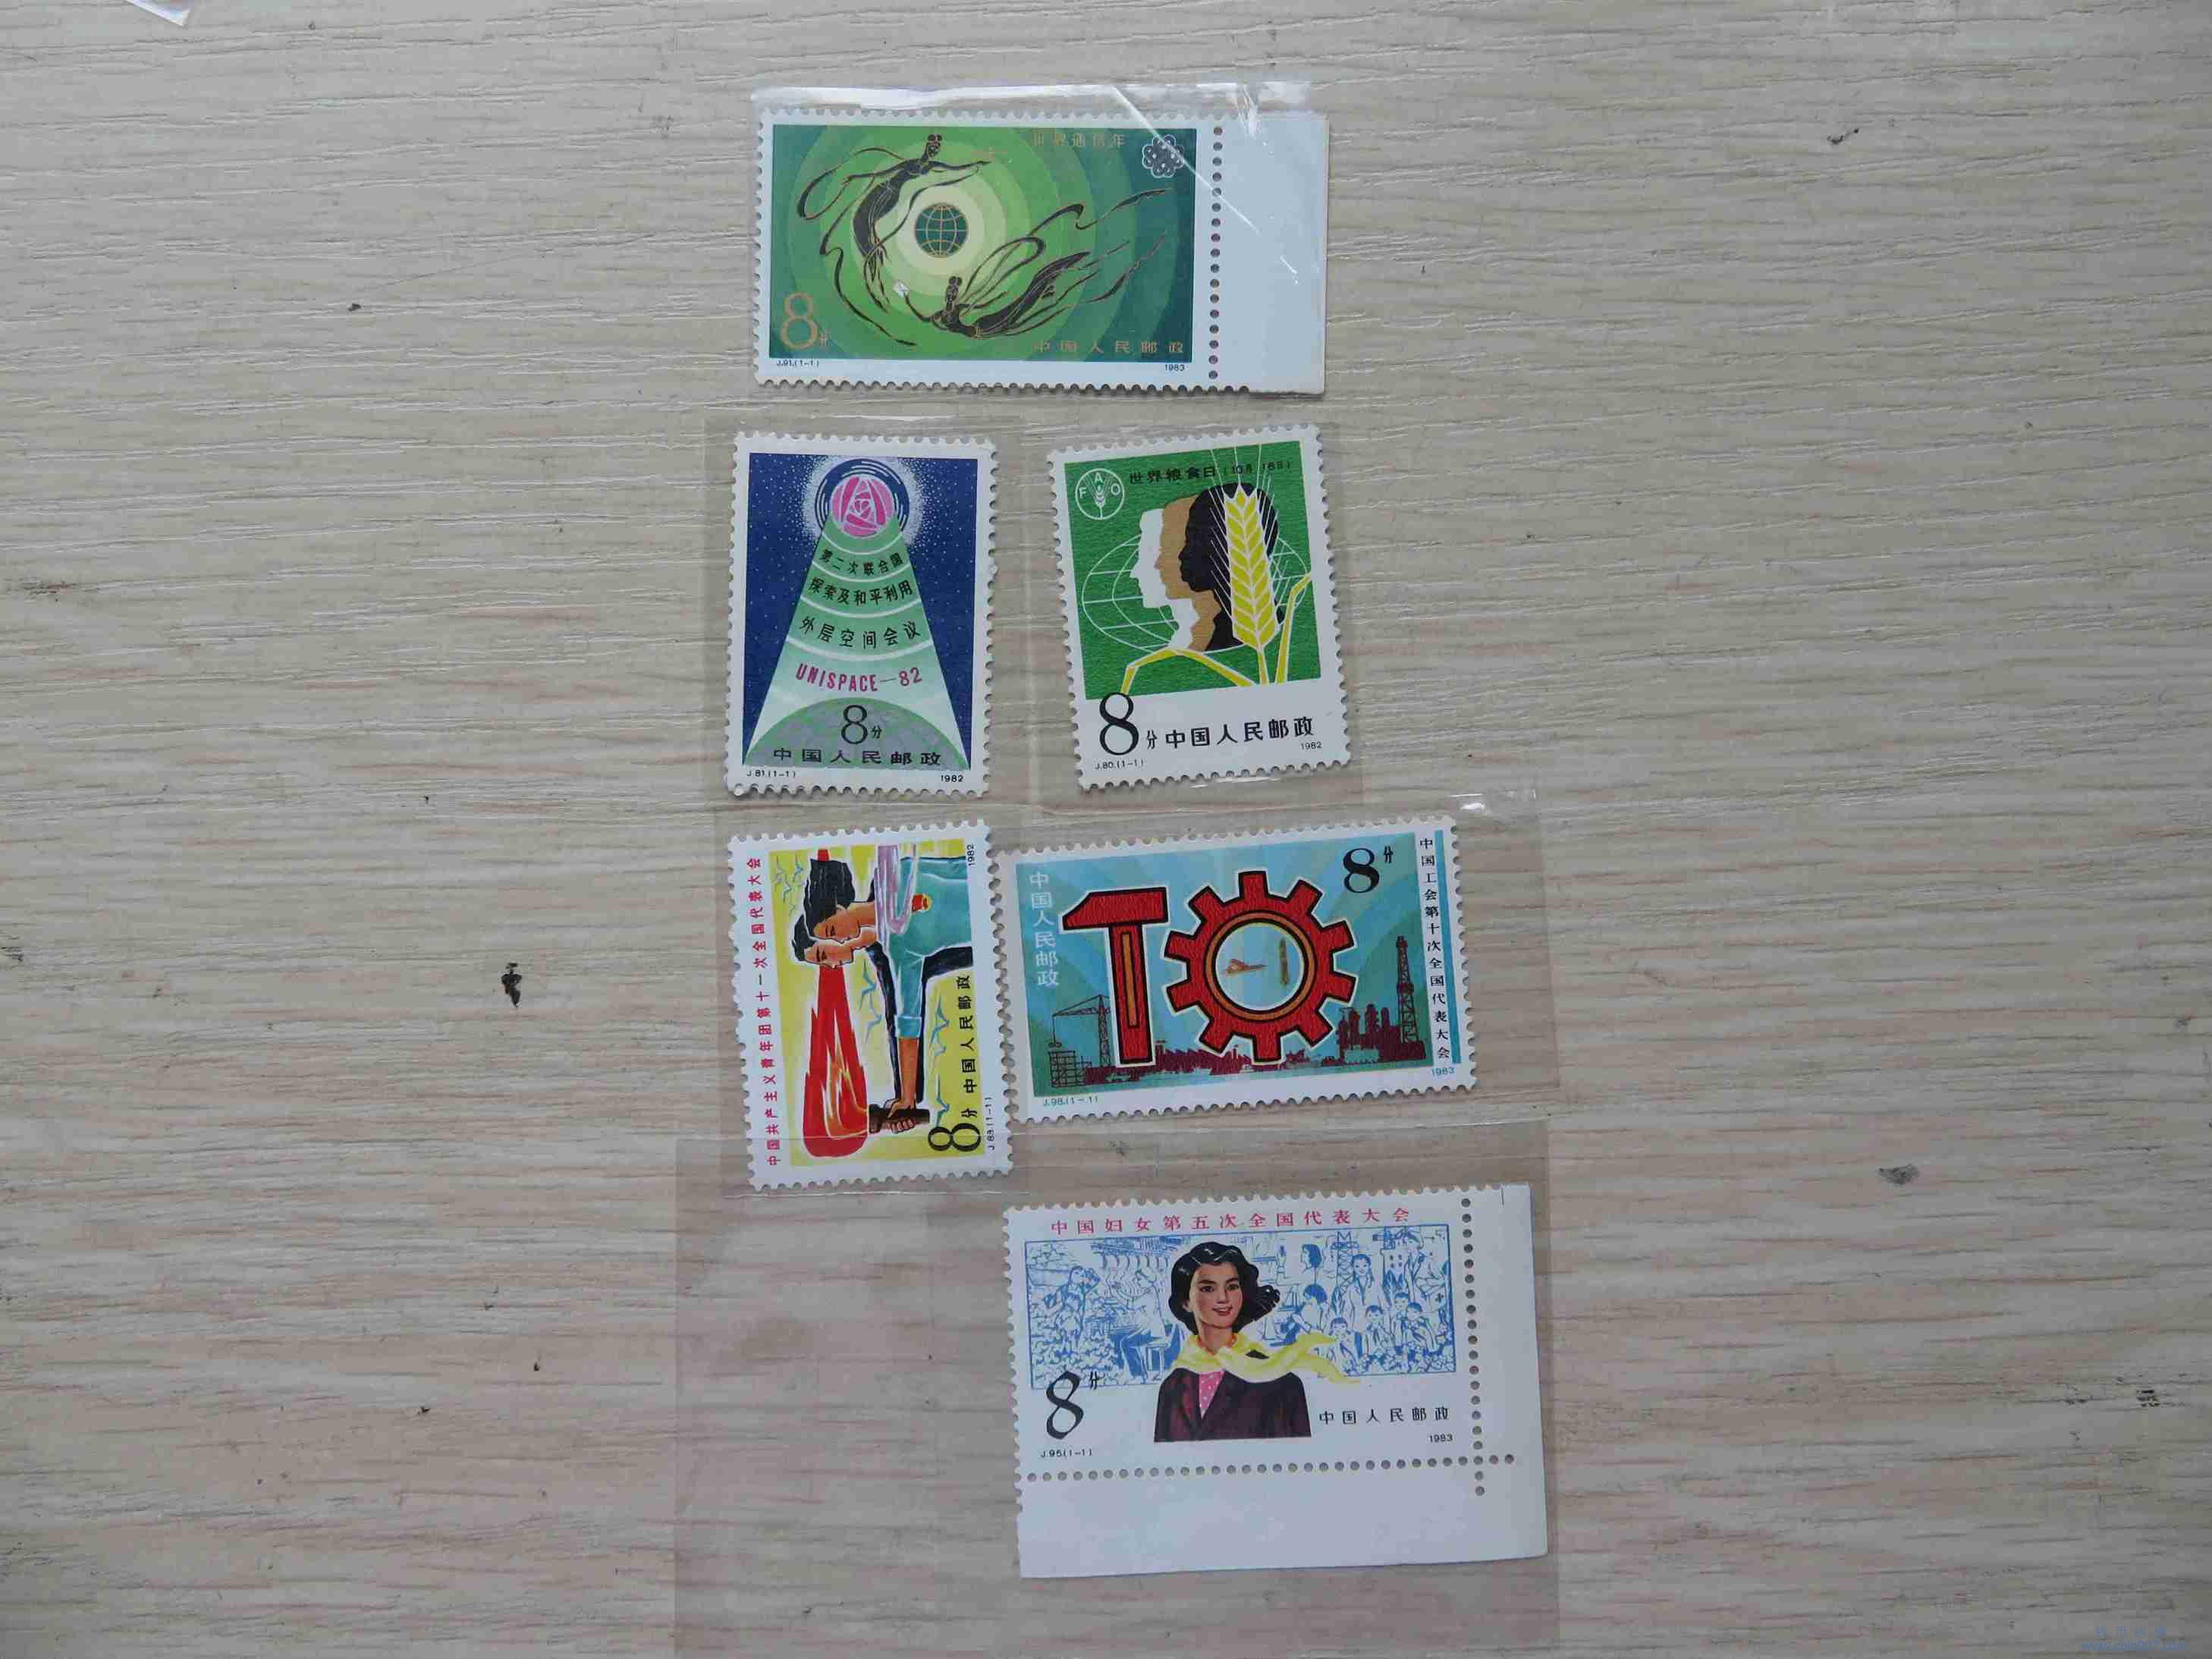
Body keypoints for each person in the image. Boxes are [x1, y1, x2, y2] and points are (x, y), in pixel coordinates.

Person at [790, 845, 972, 1135]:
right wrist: (907, 1098)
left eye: (831, 936)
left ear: (839, 906)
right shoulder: (897, 951)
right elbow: (908, 1022)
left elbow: (960, 867)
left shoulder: (896, 872)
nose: (837, 951)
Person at [1152, 1242, 1351, 1443]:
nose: (1223, 1298)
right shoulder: (1172, 1386)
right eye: (1208, 1288)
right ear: (1185, 1302)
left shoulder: (1281, 1382)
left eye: (1232, 1287)